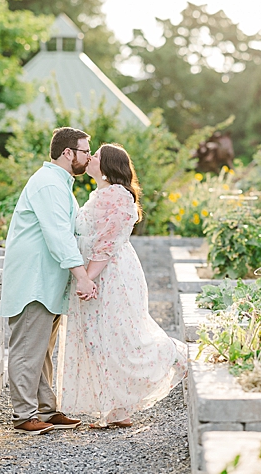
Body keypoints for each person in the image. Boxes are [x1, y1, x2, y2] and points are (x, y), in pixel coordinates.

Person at [61, 143, 188, 427]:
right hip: (98, 273)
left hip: (112, 276)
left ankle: (175, 355)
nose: (90, 158)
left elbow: (108, 241)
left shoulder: (118, 196)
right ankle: (117, 409)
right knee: (100, 340)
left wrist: (87, 278)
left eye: (96, 156)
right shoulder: (101, 193)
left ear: (107, 168)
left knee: (121, 337)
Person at [0, 127, 98, 435]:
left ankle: (46, 409)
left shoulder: (59, 184)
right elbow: (58, 236)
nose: (89, 157)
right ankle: (23, 415)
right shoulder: (48, 185)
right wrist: (81, 276)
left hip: (47, 282)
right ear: (68, 153)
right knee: (28, 348)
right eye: (85, 151)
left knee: (42, 350)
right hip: (34, 280)